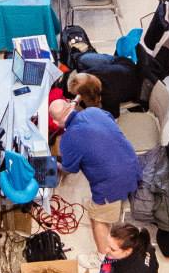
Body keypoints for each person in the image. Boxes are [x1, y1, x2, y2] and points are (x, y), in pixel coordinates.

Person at [49, 95, 142, 252]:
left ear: (56, 123)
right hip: (133, 164)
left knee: (97, 218)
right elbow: (110, 123)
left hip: (115, 182)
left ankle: (102, 256)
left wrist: (54, 163)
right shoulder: (93, 111)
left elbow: (70, 169)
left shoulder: (69, 139)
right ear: (70, 105)